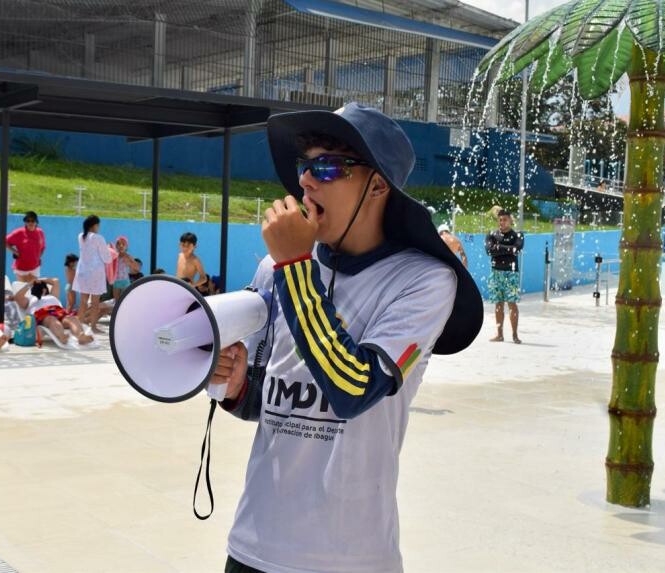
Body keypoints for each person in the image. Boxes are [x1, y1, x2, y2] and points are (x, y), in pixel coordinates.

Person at [209, 103, 481, 573]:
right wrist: (233, 385)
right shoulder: (276, 269)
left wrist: (295, 266)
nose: (306, 180)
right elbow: (268, 399)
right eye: (305, 166)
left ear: (377, 185)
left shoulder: (423, 281)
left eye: (328, 166)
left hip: (351, 557)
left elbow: (353, 388)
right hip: (254, 546)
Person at [14, 277, 93, 345]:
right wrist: (30, 284)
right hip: (43, 315)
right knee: (51, 319)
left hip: (59, 313)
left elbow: (55, 281)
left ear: (45, 290)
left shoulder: (52, 296)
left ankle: (80, 336)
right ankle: (61, 336)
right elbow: (17, 297)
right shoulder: (29, 300)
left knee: (72, 319)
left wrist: (40, 280)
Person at [485, 209, 524, 344]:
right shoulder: (492, 234)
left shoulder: (518, 235)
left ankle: (515, 335)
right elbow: (489, 251)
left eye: (505, 220)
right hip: (496, 272)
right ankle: (499, 334)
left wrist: (498, 248)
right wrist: (509, 249)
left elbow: (517, 249)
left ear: (510, 220)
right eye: (500, 220)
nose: (502, 222)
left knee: (512, 303)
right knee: (498, 303)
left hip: (511, 273)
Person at [72, 215, 112, 332]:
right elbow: (107, 258)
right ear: (94, 225)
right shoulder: (98, 238)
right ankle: (93, 326)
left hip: (82, 272)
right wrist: (110, 250)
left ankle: (79, 326)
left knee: (83, 301)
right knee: (95, 302)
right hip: (95, 273)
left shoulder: (80, 236)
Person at [6, 211, 46, 283]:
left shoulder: (40, 232)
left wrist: (38, 257)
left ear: (36, 222)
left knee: (33, 288)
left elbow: (43, 247)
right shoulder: (19, 232)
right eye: (28, 221)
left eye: (32, 221)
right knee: (24, 288)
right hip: (21, 268)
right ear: (25, 222)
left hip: (35, 267)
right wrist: (15, 252)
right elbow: (5, 242)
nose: (30, 223)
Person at [111, 236, 140, 300]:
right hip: (116, 282)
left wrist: (129, 263)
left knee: (124, 300)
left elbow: (137, 269)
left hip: (125, 282)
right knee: (117, 302)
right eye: (119, 244)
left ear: (126, 247)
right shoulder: (114, 257)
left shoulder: (128, 256)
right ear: (116, 246)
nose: (121, 246)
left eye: (123, 244)